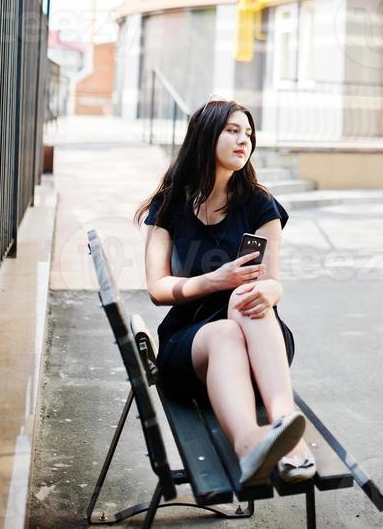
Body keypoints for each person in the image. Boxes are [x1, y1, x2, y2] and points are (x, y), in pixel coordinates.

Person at [134, 98, 316, 486]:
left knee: (245, 298)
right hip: (192, 342)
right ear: (205, 136)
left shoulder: (259, 203)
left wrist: (269, 292)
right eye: (232, 131)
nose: (243, 141)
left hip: (259, 340)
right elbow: (157, 287)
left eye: (248, 133)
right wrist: (214, 280)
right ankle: (250, 444)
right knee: (224, 330)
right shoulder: (169, 206)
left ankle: (284, 420)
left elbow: (274, 281)